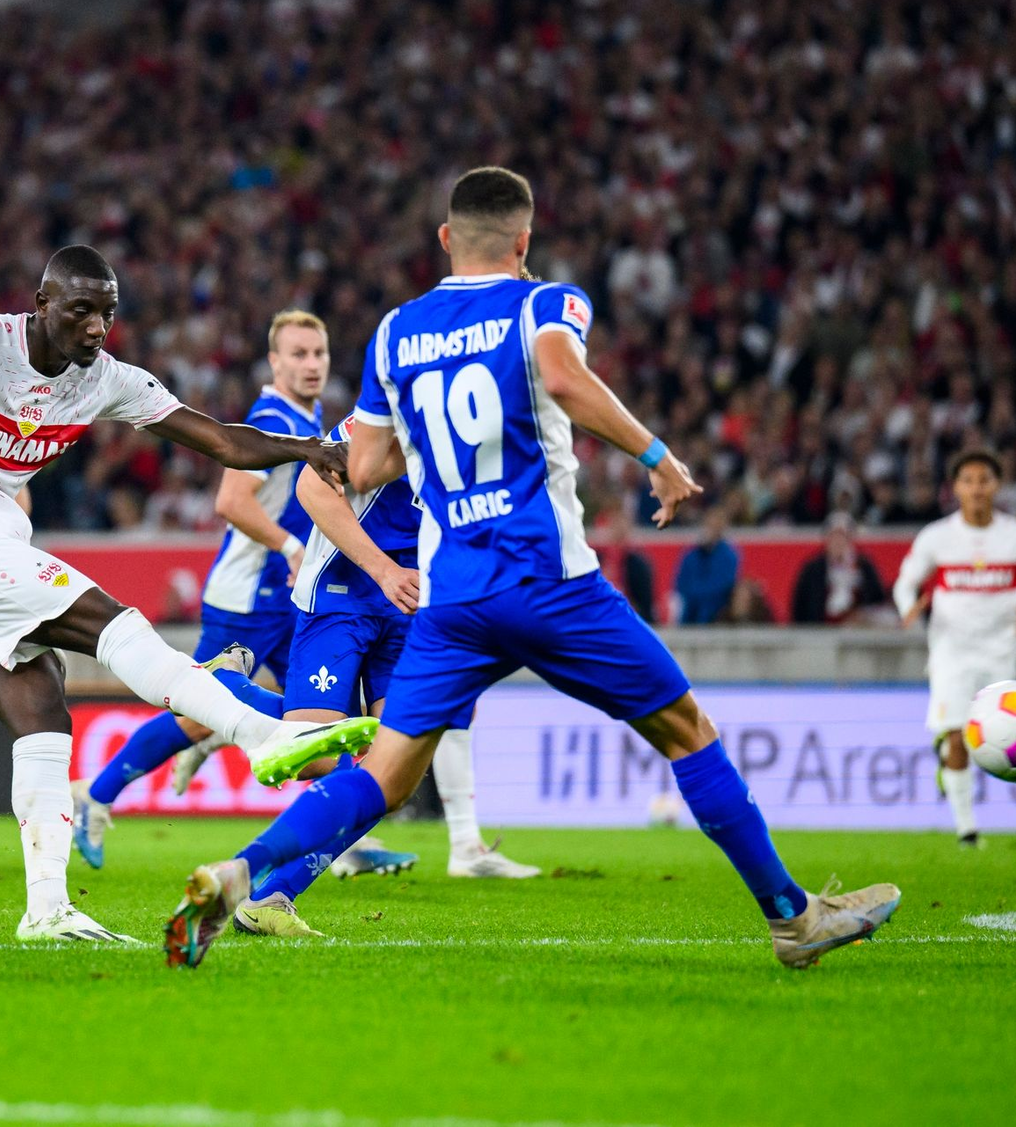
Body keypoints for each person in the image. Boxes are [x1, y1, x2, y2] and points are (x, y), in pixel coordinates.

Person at [164, 167, 900, 970]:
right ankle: (792, 918)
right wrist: (655, 453)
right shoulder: (547, 302)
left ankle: (241, 871)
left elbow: (363, 462)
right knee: (687, 731)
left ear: (445, 238)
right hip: (550, 581)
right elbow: (559, 373)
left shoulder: (395, 331)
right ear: (525, 240)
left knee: (385, 774)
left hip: (452, 599)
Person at [0, 245, 377, 943]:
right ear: (42, 303)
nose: (94, 327)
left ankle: (46, 907)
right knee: (112, 620)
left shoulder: (105, 379)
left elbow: (221, 441)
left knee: (43, 702)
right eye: (80, 310)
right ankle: (260, 735)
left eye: (106, 313)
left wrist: (306, 450)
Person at [167, 414, 540, 938]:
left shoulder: (494, 442)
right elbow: (310, 486)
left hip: (414, 603)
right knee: (317, 755)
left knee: (391, 771)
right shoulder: (399, 407)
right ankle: (227, 686)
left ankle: (272, 898)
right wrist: (383, 568)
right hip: (345, 595)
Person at [69, 309, 332, 865]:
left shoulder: (312, 416)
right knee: (198, 711)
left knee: (321, 722)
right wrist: (292, 547)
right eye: (299, 354)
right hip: (245, 602)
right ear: (275, 361)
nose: (311, 364)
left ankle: (342, 831)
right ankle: (97, 793)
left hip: (288, 599)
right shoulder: (272, 416)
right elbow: (230, 502)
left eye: (319, 353)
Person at [893, 449, 1016, 846]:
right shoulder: (938, 537)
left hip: (1006, 650)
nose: (977, 488)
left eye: (984, 480)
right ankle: (967, 831)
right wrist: (906, 606)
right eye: (968, 480)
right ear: (956, 487)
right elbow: (905, 581)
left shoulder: (1011, 534)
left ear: (997, 484)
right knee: (958, 736)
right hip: (953, 652)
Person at [791, 512, 886, 625]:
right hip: (820, 631)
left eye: (842, 536)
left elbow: (878, 601)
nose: (838, 541)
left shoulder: (864, 566)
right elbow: (800, 605)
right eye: (834, 535)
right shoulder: (813, 569)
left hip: (856, 631)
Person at [674, 505, 738, 623]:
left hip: (716, 611)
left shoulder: (729, 555)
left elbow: (724, 585)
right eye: (711, 523)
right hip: (690, 608)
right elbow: (681, 582)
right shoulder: (692, 554)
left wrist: (699, 594)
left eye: (718, 523)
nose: (713, 527)